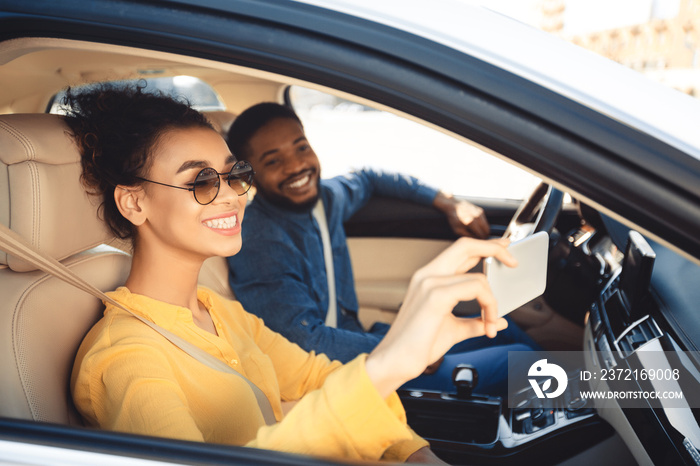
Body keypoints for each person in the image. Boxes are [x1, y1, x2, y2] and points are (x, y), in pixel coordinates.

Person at [67, 84, 517, 464]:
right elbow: (352, 387)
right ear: (134, 203)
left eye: (234, 175)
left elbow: (325, 380)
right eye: (201, 181)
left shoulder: (221, 314)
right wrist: (392, 358)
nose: (231, 197)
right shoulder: (125, 360)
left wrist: (413, 453)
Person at [226, 103, 539, 396]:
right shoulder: (260, 240)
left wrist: (446, 202)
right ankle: (585, 407)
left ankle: (582, 394)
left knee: (502, 328)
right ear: (250, 175)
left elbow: (370, 178)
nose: (296, 166)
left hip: (356, 337)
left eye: (301, 147)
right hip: (338, 374)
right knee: (520, 362)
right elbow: (305, 342)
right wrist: (405, 349)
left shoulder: (327, 199)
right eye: (273, 161)